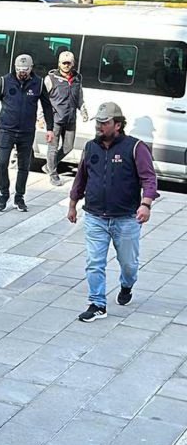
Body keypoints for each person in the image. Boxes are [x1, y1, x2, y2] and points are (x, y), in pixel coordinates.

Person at [67, 103, 158, 323]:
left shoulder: (135, 147)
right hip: (95, 217)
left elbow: (149, 178)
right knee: (94, 262)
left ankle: (127, 285)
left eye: (104, 123)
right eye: (98, 122)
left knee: (129, 264)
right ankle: (97, 303)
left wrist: (145, 204)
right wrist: (72, 204)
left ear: (117, 124)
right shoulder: (90, 147)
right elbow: (81, 177)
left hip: (126, 219)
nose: (99, 126)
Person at [0, 54, 54, 212]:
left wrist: (50, 128)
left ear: (31, 68)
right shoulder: (5, 81)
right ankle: (3, 194)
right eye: (19, 70)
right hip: (6, 129)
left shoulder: (38, 83)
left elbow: (46, 107)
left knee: (24, 165)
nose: (22, 73)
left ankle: (19, 197)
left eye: (25, 70)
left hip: (26, 131)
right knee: (2, 163)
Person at [43, 50, 87, 187]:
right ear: (59, 64)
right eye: (64, 63)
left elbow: (79, 97)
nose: (66, 66)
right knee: (53, 148)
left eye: (69, 63)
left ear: (73, 63)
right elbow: (43, 100)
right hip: (55, 119)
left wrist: (83, 110)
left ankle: (49, 165)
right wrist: (40, 117)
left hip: (70, 118)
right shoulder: (51, 79)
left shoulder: (77, 78)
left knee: (68, 147)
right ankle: (53, 174)